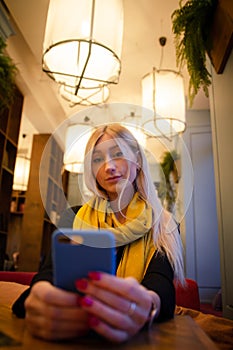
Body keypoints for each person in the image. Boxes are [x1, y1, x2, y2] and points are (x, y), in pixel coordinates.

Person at [12, 124, 185, 343]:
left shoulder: (165, 223)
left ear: (138, 161)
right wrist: (40, 295)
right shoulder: (73, 218)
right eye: (97, 159)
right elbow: (49, 274)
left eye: (118, 154)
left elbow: (160, 285)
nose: (109, 166)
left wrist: (146, 304)